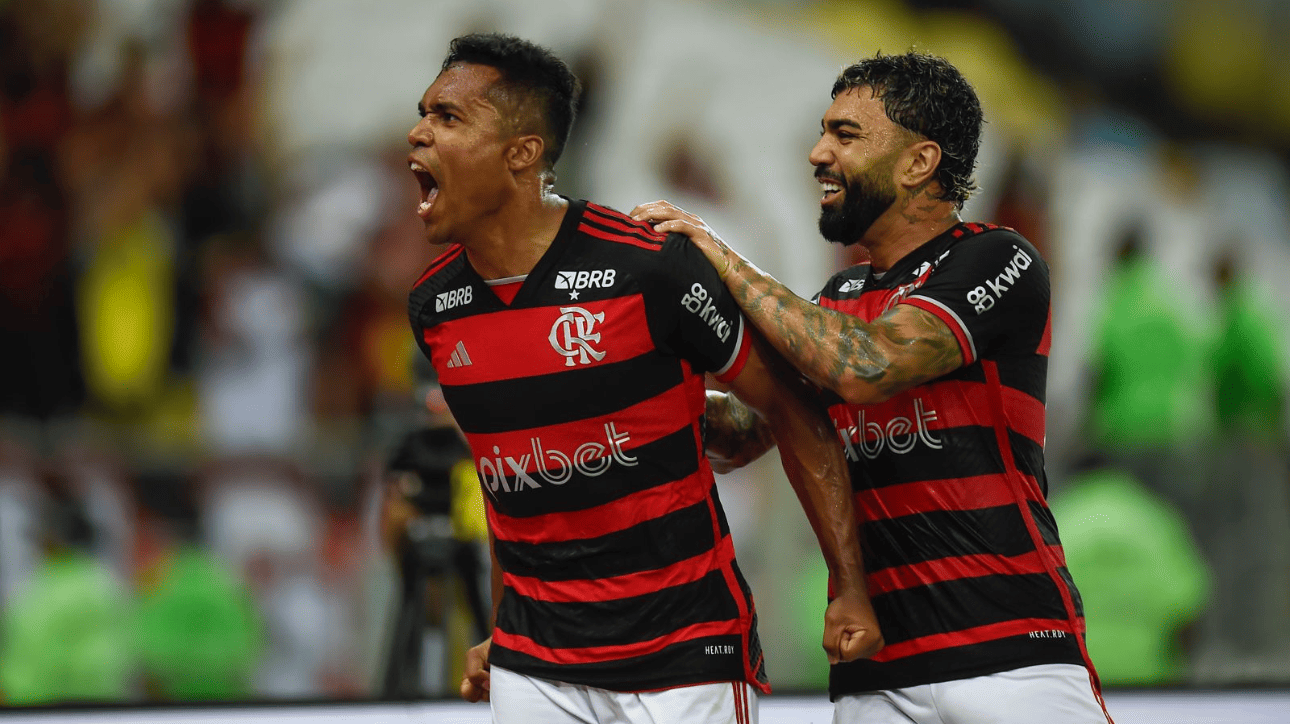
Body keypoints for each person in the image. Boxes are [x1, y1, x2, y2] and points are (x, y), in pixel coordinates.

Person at [404, 33, 881, 723]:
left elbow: (791, 404)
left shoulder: (648, 269)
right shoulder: (434, 306)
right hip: (538, 660)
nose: (416, 133)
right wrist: (506, 625)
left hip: (682, 652)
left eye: (447, 118)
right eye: (424, 113)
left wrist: (849, 585)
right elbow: (509, 481)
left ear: (522, 153)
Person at [633, 52, 1113, 723]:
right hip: (876, 674)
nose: (817, 153)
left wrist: (718, 256)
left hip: (1010, 655)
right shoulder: (840, 300)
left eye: (845, 136)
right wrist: (617, 391)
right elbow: (743, 432)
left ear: (919, 162)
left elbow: (867, 366)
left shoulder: (997, 257)